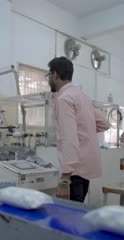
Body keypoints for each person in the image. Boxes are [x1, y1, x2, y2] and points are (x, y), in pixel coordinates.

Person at [47, 57, 110, 202]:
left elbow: (69, 139)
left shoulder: (64, 99)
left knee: (71, 218)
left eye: (48, 75)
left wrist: (64, 180)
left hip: (73, 172)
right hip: (85, 169)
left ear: (55, 75)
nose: (48, 79)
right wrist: (85, 127)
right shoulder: (81, 96)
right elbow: (104, 123)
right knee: (78, 212)